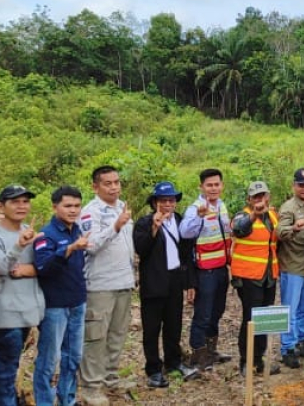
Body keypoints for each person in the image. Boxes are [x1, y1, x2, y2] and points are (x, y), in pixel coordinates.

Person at [133, 182, 198, 389]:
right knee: (151, 329)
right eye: (163, 201)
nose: (168, 204)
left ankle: (174, 362)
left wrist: (189, 283)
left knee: (174, 325)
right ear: (155, 203)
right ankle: (153, 369)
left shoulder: (179, 221)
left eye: (171, 200)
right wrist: (154, 227)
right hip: (153, 281)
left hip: (174, 280)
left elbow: (186, 253)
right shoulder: (144, 222)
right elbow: (141, 249)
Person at [78, 166, 134, 406]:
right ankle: (91, 386)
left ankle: (110, 377)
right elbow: (90, 246)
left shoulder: (122, 207)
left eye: (116, 182)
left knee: (117, 334)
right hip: (100, 284)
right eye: (108, 183)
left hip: (124, 281)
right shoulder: (91, 212)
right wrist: (116, 226)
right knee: (96, 337)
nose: (114, 187)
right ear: (95, 187)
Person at [33, 186, 89, 406]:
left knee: (73, 357)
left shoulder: (77, 230)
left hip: (77, 302)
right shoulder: (46, 235)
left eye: (76, 206)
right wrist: (68, 249)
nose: (73, 210)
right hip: (54, 306)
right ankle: (44, 402)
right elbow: (43, 267)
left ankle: (67, 399)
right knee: (48, 361)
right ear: (55, 206)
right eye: (67, 206)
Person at [179, 168, 232, 370]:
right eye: (209, 185)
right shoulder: (195, 209)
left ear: (222, 185)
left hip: (220, 268)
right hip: (204, 271)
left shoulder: (222, 206)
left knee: (217, 310)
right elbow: (185, 232)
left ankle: (211, 350)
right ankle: (198, 353)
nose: (213, 188)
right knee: (203, 313)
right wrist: (199, 217)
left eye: (216, 184)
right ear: (201, 187)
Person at [0, 185, 45, 406]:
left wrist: (30, 269)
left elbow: (43, 267)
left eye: (25, 201)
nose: (21, 206)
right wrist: (18, 246)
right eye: (15, 201)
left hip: (27, 313)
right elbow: (1, 267)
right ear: (2, 206)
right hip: (6, 315)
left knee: (12, 366)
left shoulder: (30, 231)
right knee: (6, 372)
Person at [230, 181, 281, 376]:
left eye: (263, 196)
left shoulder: (273, 216)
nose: (260, 200)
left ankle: (259, 359)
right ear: (249, 200)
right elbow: (239, 229)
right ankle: (246, 361)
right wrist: (254, 215)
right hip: (249, 277)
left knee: (264, 318)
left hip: (269, 275)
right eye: (255, 197)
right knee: (250, 318)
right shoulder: (242, 215)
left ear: (268, 197)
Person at [277, 168, 304, 368]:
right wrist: (294, 228)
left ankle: (303, 341)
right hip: (292, 265)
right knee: (290, 309)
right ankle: (287, 348)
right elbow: (280, 232)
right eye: (301, 185)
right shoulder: (289, 208)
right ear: (294, 186)